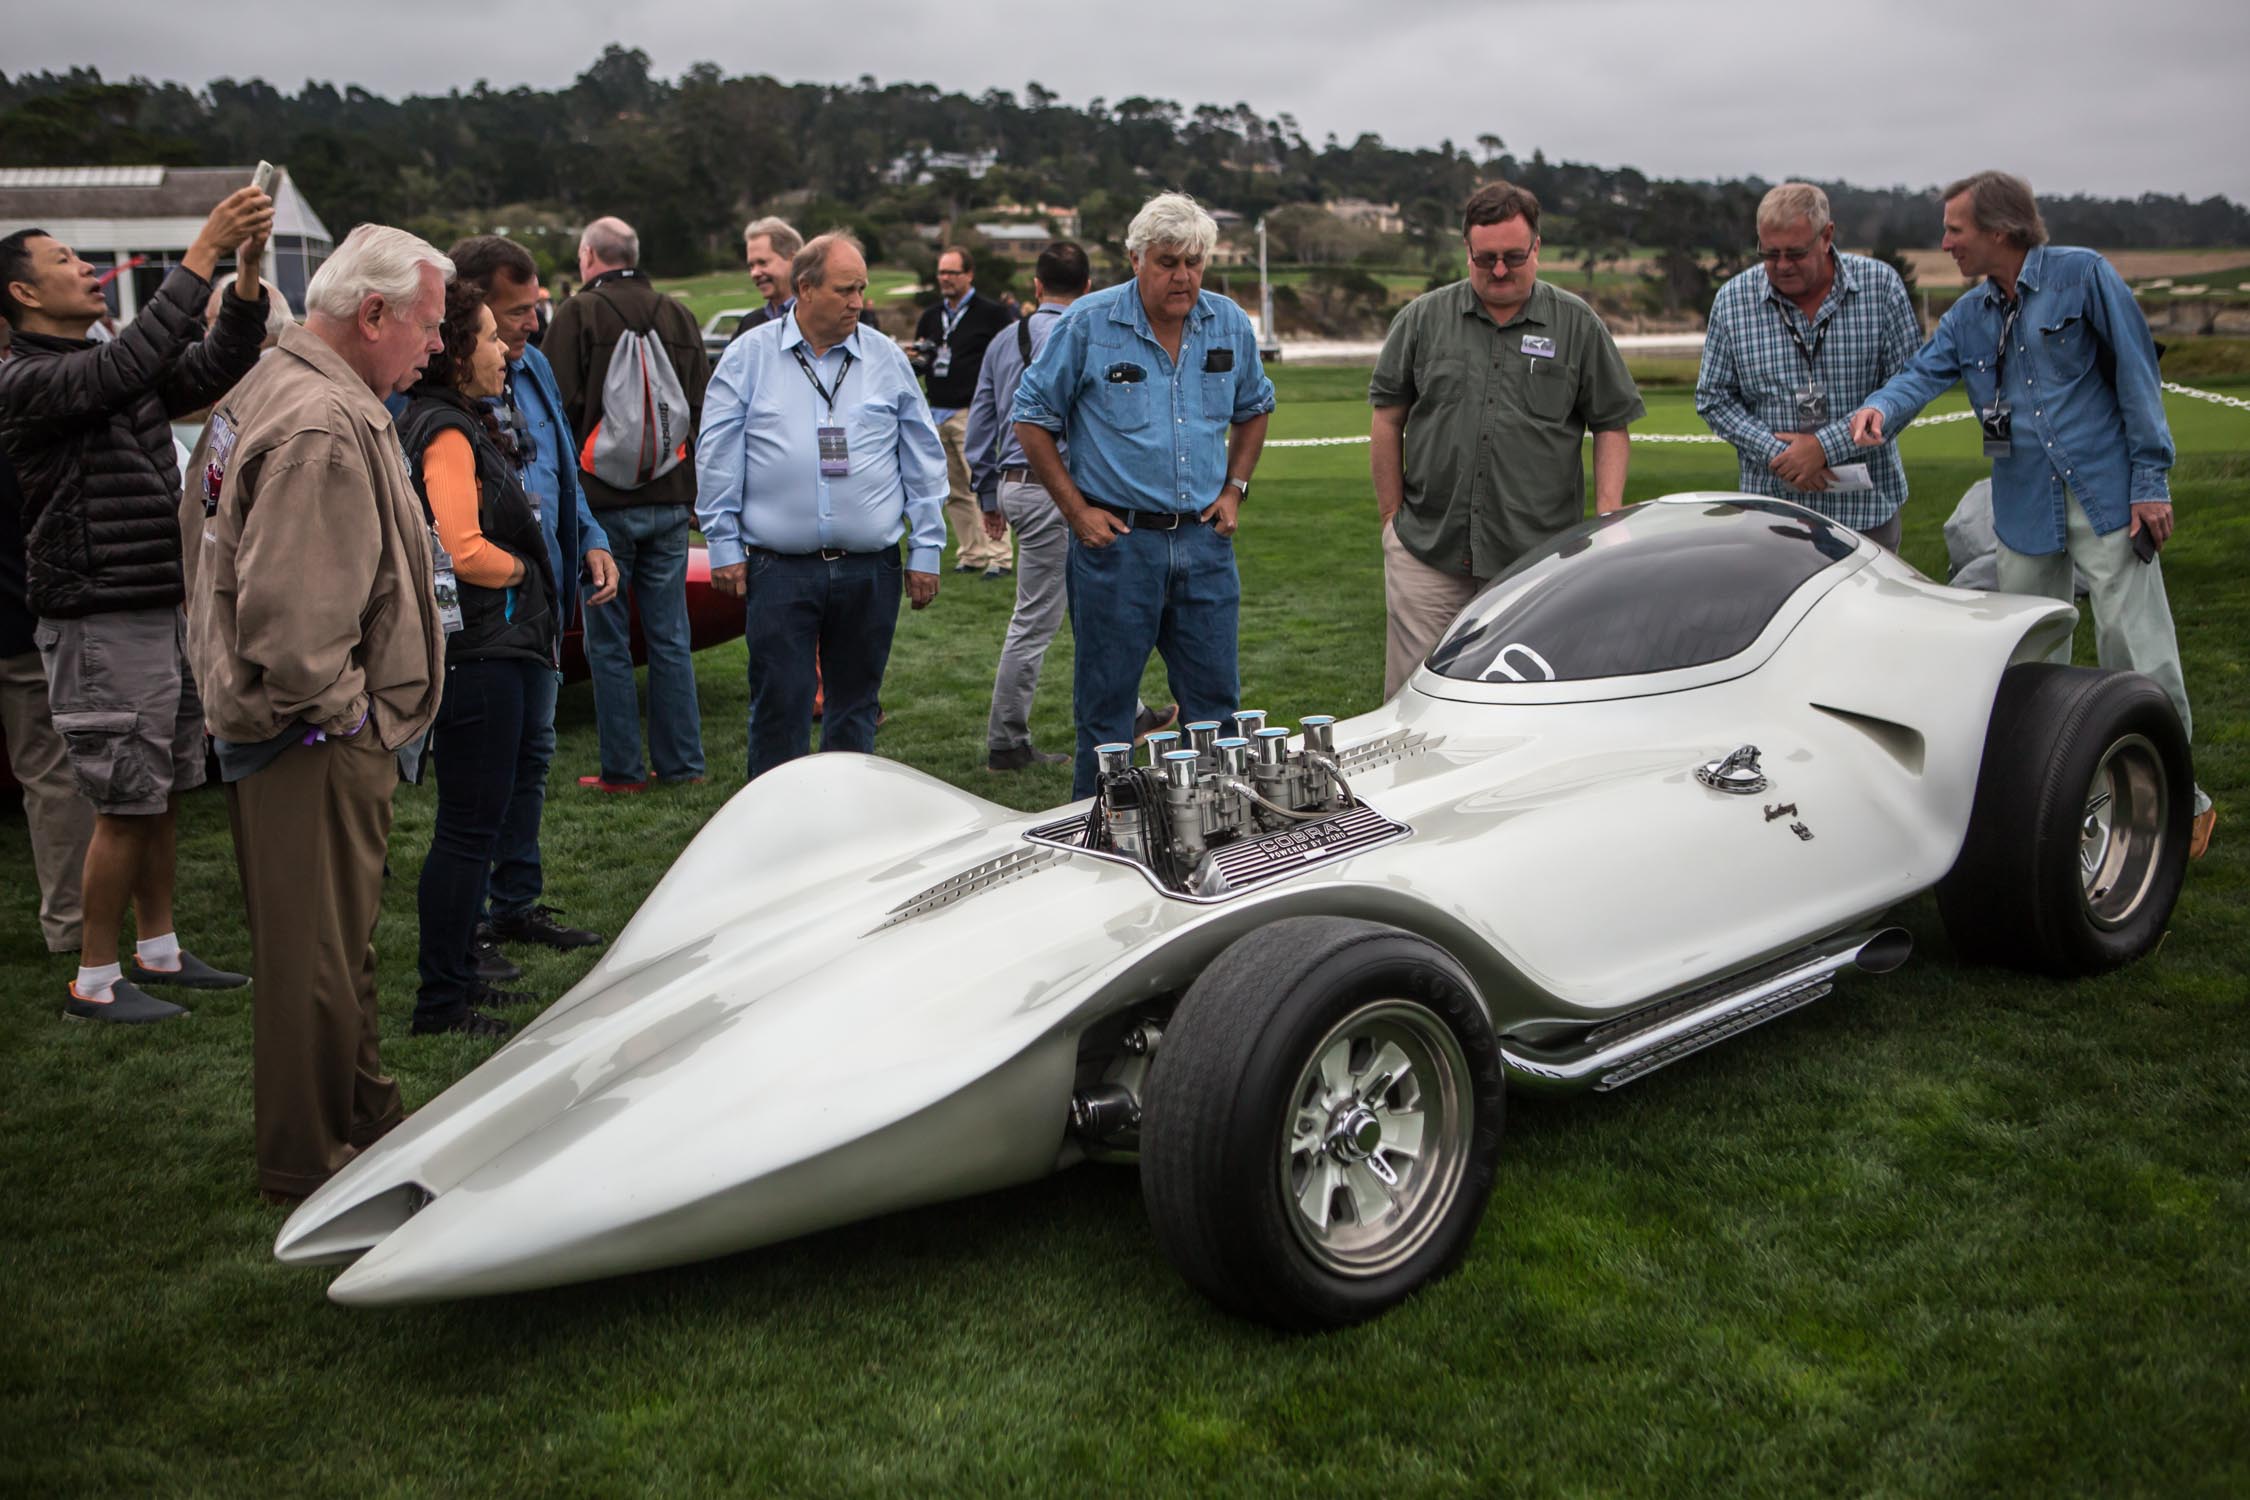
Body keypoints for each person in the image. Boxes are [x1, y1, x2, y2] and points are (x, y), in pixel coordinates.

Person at [179, 224, 451, 1201]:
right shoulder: (319, 423)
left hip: (301, 730)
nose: (436, 345)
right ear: (372, 314)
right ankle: (309, 1159)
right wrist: (354, 719)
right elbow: (294, 628)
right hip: (310, 737)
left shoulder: (273, 386)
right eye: (427, 324)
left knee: (337, 943)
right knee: (313, 961)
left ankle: (366, 1114)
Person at [1848, 170, 2217, 858]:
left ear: (2000, 229)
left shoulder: (2084, 277)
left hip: (2109, 497)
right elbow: (1921, 373)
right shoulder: (1967, 316)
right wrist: (1881, 409)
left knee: (2135, 652)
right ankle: (2049, 798)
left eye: (1955, 229)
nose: (1946, 242)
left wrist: (2151, 480)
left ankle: (2180, 800)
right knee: (2029, 658)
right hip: (2021, 507)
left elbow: (2139, 377)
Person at [0, 187, 273, 1022]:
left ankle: (158, 950)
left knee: (159, 788)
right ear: (21, 292)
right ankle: (93, 979)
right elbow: (125, 367)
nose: (87, 271)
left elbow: (207, 366)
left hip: (158, 602)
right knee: (122, 797)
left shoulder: (102, 365)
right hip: (98, 615)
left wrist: (248, 276)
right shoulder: (30, 378)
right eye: (66, 262)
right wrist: (200, 251)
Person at [1012, 192, 1276, 799]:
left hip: (1204, 546)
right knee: (1106, 718)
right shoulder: (1089, 323)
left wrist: (1235, 490)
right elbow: (1031, 416)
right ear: (1135, 259)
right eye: (1166, 262)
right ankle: (1098, 837)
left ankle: (1218, 838)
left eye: (1193, 261)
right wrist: (1077, 512)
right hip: (1119, 548)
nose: (1182, 276)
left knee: (1217, 714)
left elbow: (1256, 407)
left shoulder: (1229, 322)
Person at [1368, 181, 1644, 697]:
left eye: (1513, 257)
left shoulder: (1577, 324)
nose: (1498, 271)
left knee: (1531, 697)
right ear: (1466, 250)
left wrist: (1608, 517)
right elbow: (1387, 418)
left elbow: (1612, 422)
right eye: (1485, 258)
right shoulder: (1422, 320)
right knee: (1409, 704)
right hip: (1427, 551)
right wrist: (1391, 520)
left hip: (1538, 559)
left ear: (1537, 248)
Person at [697, 231, 946, 780]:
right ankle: (775, 834)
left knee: (856, 708)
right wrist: (722, 542)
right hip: (779, 569)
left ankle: (848, 825)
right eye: (845, 290)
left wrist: (927, 548)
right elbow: (717, 453)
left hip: (869, 569)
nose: (858, 302)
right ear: (804, 290)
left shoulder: (885, 358)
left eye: (861, 289)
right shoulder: (750, 357)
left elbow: (923, 456)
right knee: (780, 707)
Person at [397, 282, 565, 1037]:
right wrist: (525, 572)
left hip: (492, 650)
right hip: (482, 655)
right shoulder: (448, 432)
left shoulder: (457, 422)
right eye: (493, 338)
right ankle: (442, 1001)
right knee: (468, 832)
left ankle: (457, 979)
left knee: (473, 826)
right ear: (459, 351)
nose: (506, 350)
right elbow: (460, 548)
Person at [446, 236, 618, 965]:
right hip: (484, 613)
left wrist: (592, 538)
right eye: (516, 311)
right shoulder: (436, 392)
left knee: (535, 754)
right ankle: (471, 919)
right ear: (472, 303)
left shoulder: (537, 366)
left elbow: (562, 470)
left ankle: (515, 906)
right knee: (485, 770)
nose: (532, 322)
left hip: (543, 605)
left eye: (536, 305)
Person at [964, 240, 1173, 771]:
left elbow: (983, 423)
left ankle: (1133, 712)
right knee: (1038, 618)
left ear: (1036, 287)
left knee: (1094, 610)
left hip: (1013, 485)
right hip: (1060, 490)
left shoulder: (1002, 339)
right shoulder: (1088, 332)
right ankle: (1007, 741)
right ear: (1087, 287)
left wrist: (988, 494)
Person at [544, 215, 711, 793]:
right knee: (671, 636)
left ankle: (622, 769)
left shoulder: (577, 314)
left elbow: (555, 407)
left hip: (601, 506)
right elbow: (697, 405)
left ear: (590, 256)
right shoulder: (679, 313)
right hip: (671, 500)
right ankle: (684, 763)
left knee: (607, 639)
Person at [1696, 183, 1920, 550]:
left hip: (1865, 513)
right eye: (1770, 253)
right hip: (1772, 515)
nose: (1782, 265)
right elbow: (1713, 399)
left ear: (1826, 235)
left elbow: (1908, 387)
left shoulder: (1881, 287)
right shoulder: (1732, 301)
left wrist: (1824, 448)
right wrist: (1780, 455)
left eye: (1795, 253)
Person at [0, 339, 93, 955]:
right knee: (52, 775)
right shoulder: (31, 391)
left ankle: (73, 924)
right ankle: (72, 927)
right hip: (24, 614)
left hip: (25, 615)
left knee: (51, 774)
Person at [915, 244, 1016, 577]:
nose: (945, 278)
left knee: (983, 484)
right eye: (941, 272)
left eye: (952, 272)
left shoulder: (992, 313)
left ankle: (999, 556)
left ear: (969, 274)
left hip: (972, 411)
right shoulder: (931, 316)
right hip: (937, 410)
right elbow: (925, 355)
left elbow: (1008, 358)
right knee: (954, 491)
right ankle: (971, 553)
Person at [730, 216, 804, 342]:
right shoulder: (749, 325)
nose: (754, 273)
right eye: (751, 266)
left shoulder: (816, 321)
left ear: (793, 260)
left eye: (762, 263)